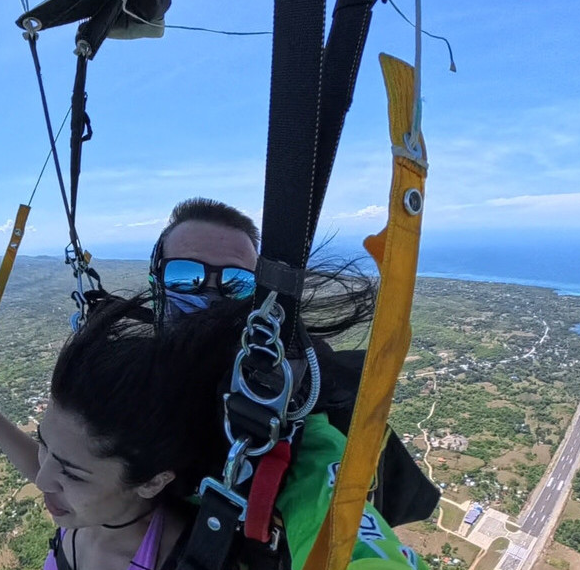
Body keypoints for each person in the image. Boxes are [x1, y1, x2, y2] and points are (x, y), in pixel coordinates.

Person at [0, 297, 258, 570]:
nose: (41, 479)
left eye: (70, 473)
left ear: (153, 482)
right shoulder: (87, 505)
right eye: (46, 446)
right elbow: (42, 463)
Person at [148, 197, 440, 527]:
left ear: (259, 295)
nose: (210, 294)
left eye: (237, 283)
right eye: (184, 276)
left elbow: (321, 481)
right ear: (156, 280)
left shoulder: (297, 389)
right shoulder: (123, 372)